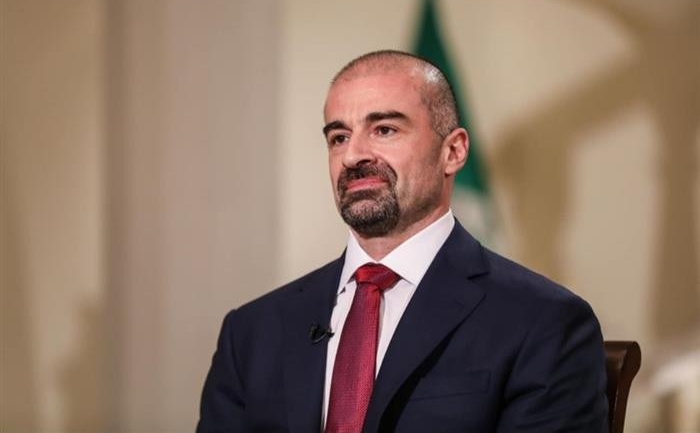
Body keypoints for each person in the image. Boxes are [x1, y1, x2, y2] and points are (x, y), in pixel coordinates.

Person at [197, 50, 608, 432]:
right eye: (338, 137)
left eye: (384, 129)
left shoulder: (543, 322)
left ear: (453, 151)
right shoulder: (251, 333)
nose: (353, 155)